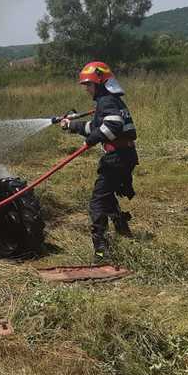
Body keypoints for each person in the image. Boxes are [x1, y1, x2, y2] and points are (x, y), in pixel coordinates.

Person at [58, 61, 138, 261]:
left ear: (100, 83)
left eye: (88, 85)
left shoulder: (106, 101)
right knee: (107, 193)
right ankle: (122, 228)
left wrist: (91, 140)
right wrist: (72, 126)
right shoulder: (110, 101)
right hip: (124, 156)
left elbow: (113, 126)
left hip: (117, 158)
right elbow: (94, 127)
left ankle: (102, 251)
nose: (86, 89)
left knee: (97, 202)